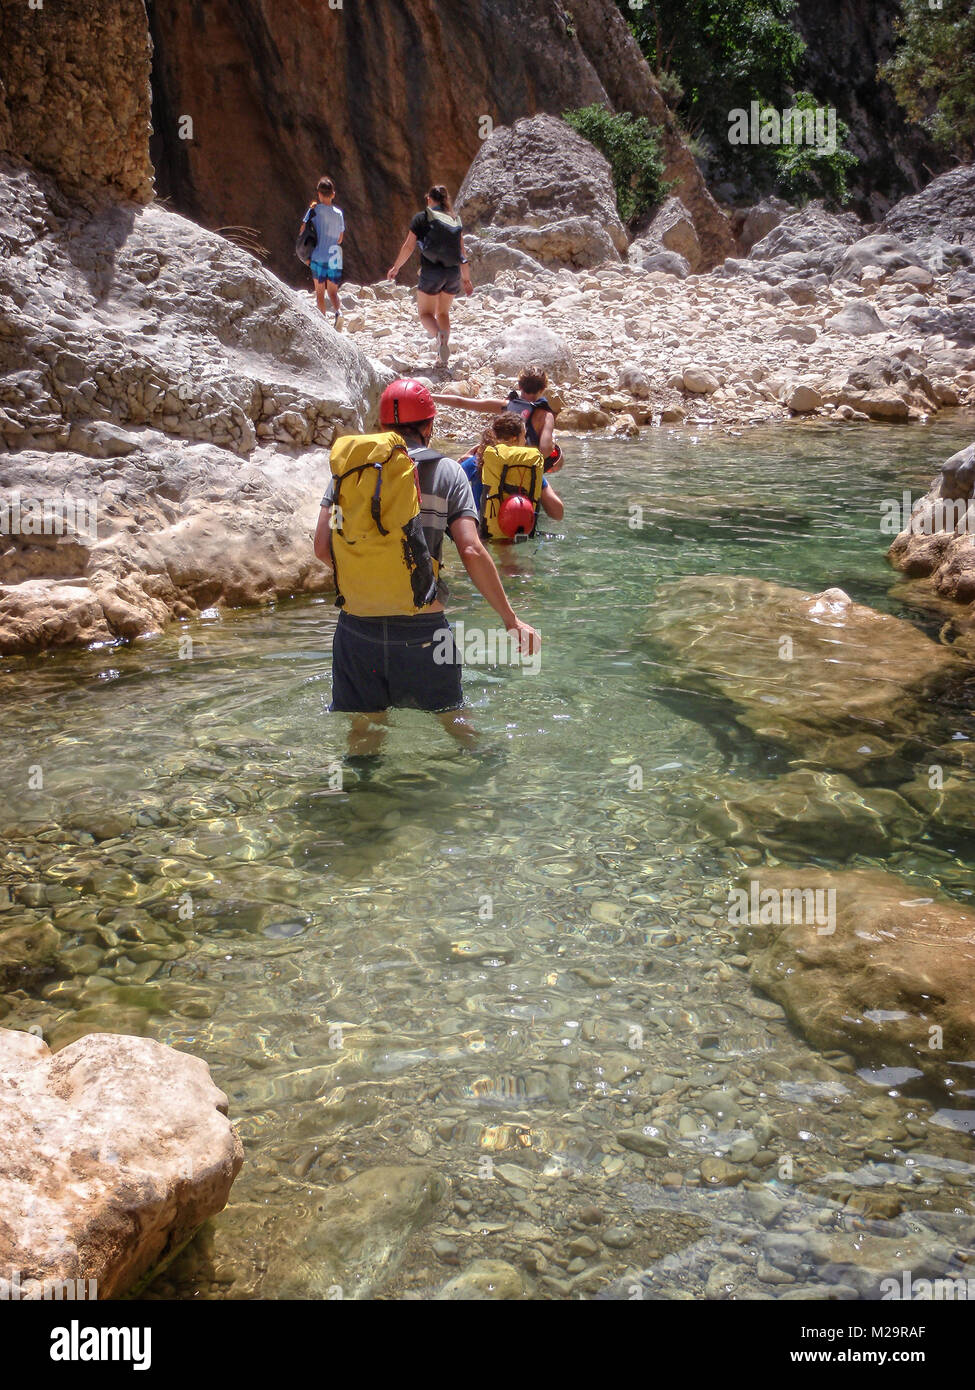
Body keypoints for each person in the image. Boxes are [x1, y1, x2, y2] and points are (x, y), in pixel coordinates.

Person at [313, 379, 540, 757]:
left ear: (382, 426)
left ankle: (359, 808)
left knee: (365, 736)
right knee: (457, 727)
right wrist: (511, 620)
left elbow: (322, 548)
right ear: (429, 425)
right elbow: (471, 548)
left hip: (356, 631)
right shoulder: (448, 472)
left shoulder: (349, 472)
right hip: (423, 630)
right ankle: (487, 792)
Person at [386, 186, 472, 368]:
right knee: (443, 312)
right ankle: (443, 354)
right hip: (452, 272)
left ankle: (439, 338)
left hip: (431, 271)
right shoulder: (454, 219)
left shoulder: (421, 217)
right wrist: (466, 279)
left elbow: (409, 247)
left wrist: (396, 267)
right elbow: (462, 252)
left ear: (429, 200)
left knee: (425, 313)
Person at [432, 366, 562, 470]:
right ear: (544, 388)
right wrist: (552, 443)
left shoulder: (506, 405)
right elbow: (545, 450)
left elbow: (462, 402)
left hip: (496, 464)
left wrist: (431, 396)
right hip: (524, 469)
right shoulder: (546, 416)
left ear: (520, 385)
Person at [459, 416, 564, 527]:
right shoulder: (531, 467)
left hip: (483, 535)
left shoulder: (477, 461)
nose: (525, 441)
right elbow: (558, 513)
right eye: (524, 436)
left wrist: (463, 458)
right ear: (515, 439)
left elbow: (446, 480)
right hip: (521, 535)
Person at [299, 177, 345, 326]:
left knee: (320, 293)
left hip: (318, 255)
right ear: (333, 194)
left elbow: (302, 231)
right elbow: (340, 238)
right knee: (333, 292)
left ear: (319, 193)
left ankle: (323, 324)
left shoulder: (313, 211)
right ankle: (339, 312)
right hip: (335, 255)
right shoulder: (339, 213)